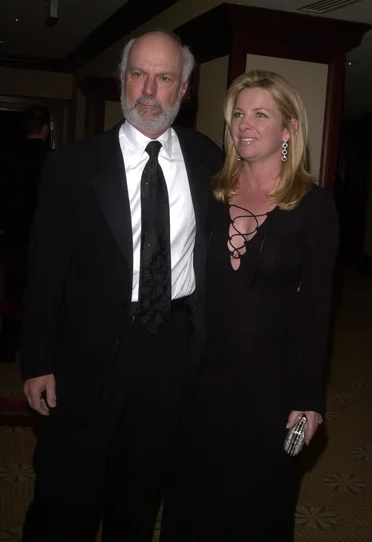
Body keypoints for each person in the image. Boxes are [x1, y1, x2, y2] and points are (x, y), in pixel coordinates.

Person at [19, 31, 221, 542]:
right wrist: (38, 359)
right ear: (122, 80)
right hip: (87, 351)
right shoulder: (73, 165)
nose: (149, 90)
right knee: (66, 493)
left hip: (171, 350)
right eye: (139, 75)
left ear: (185, 89)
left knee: (140, 489)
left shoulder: (208, 161)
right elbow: (44, 271)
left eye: (165, 78)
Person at [160, 70, 339, 541]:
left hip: (271, 388)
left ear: (289, 128)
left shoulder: (315, 207)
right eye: (238, 113)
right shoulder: (211, 194)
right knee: (193, 503)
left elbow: (316, 311)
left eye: (261, 114)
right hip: (202, 381)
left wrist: (308, 397)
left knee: (259, 508)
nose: (245, 124)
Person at [0, 105, 51, 363]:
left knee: (13, 292)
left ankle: (8, 346)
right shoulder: (55, 160)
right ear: (46, 128)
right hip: (46, 239)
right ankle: (37, 350)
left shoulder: (9, 158)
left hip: (16, 235)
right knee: (42, 294)